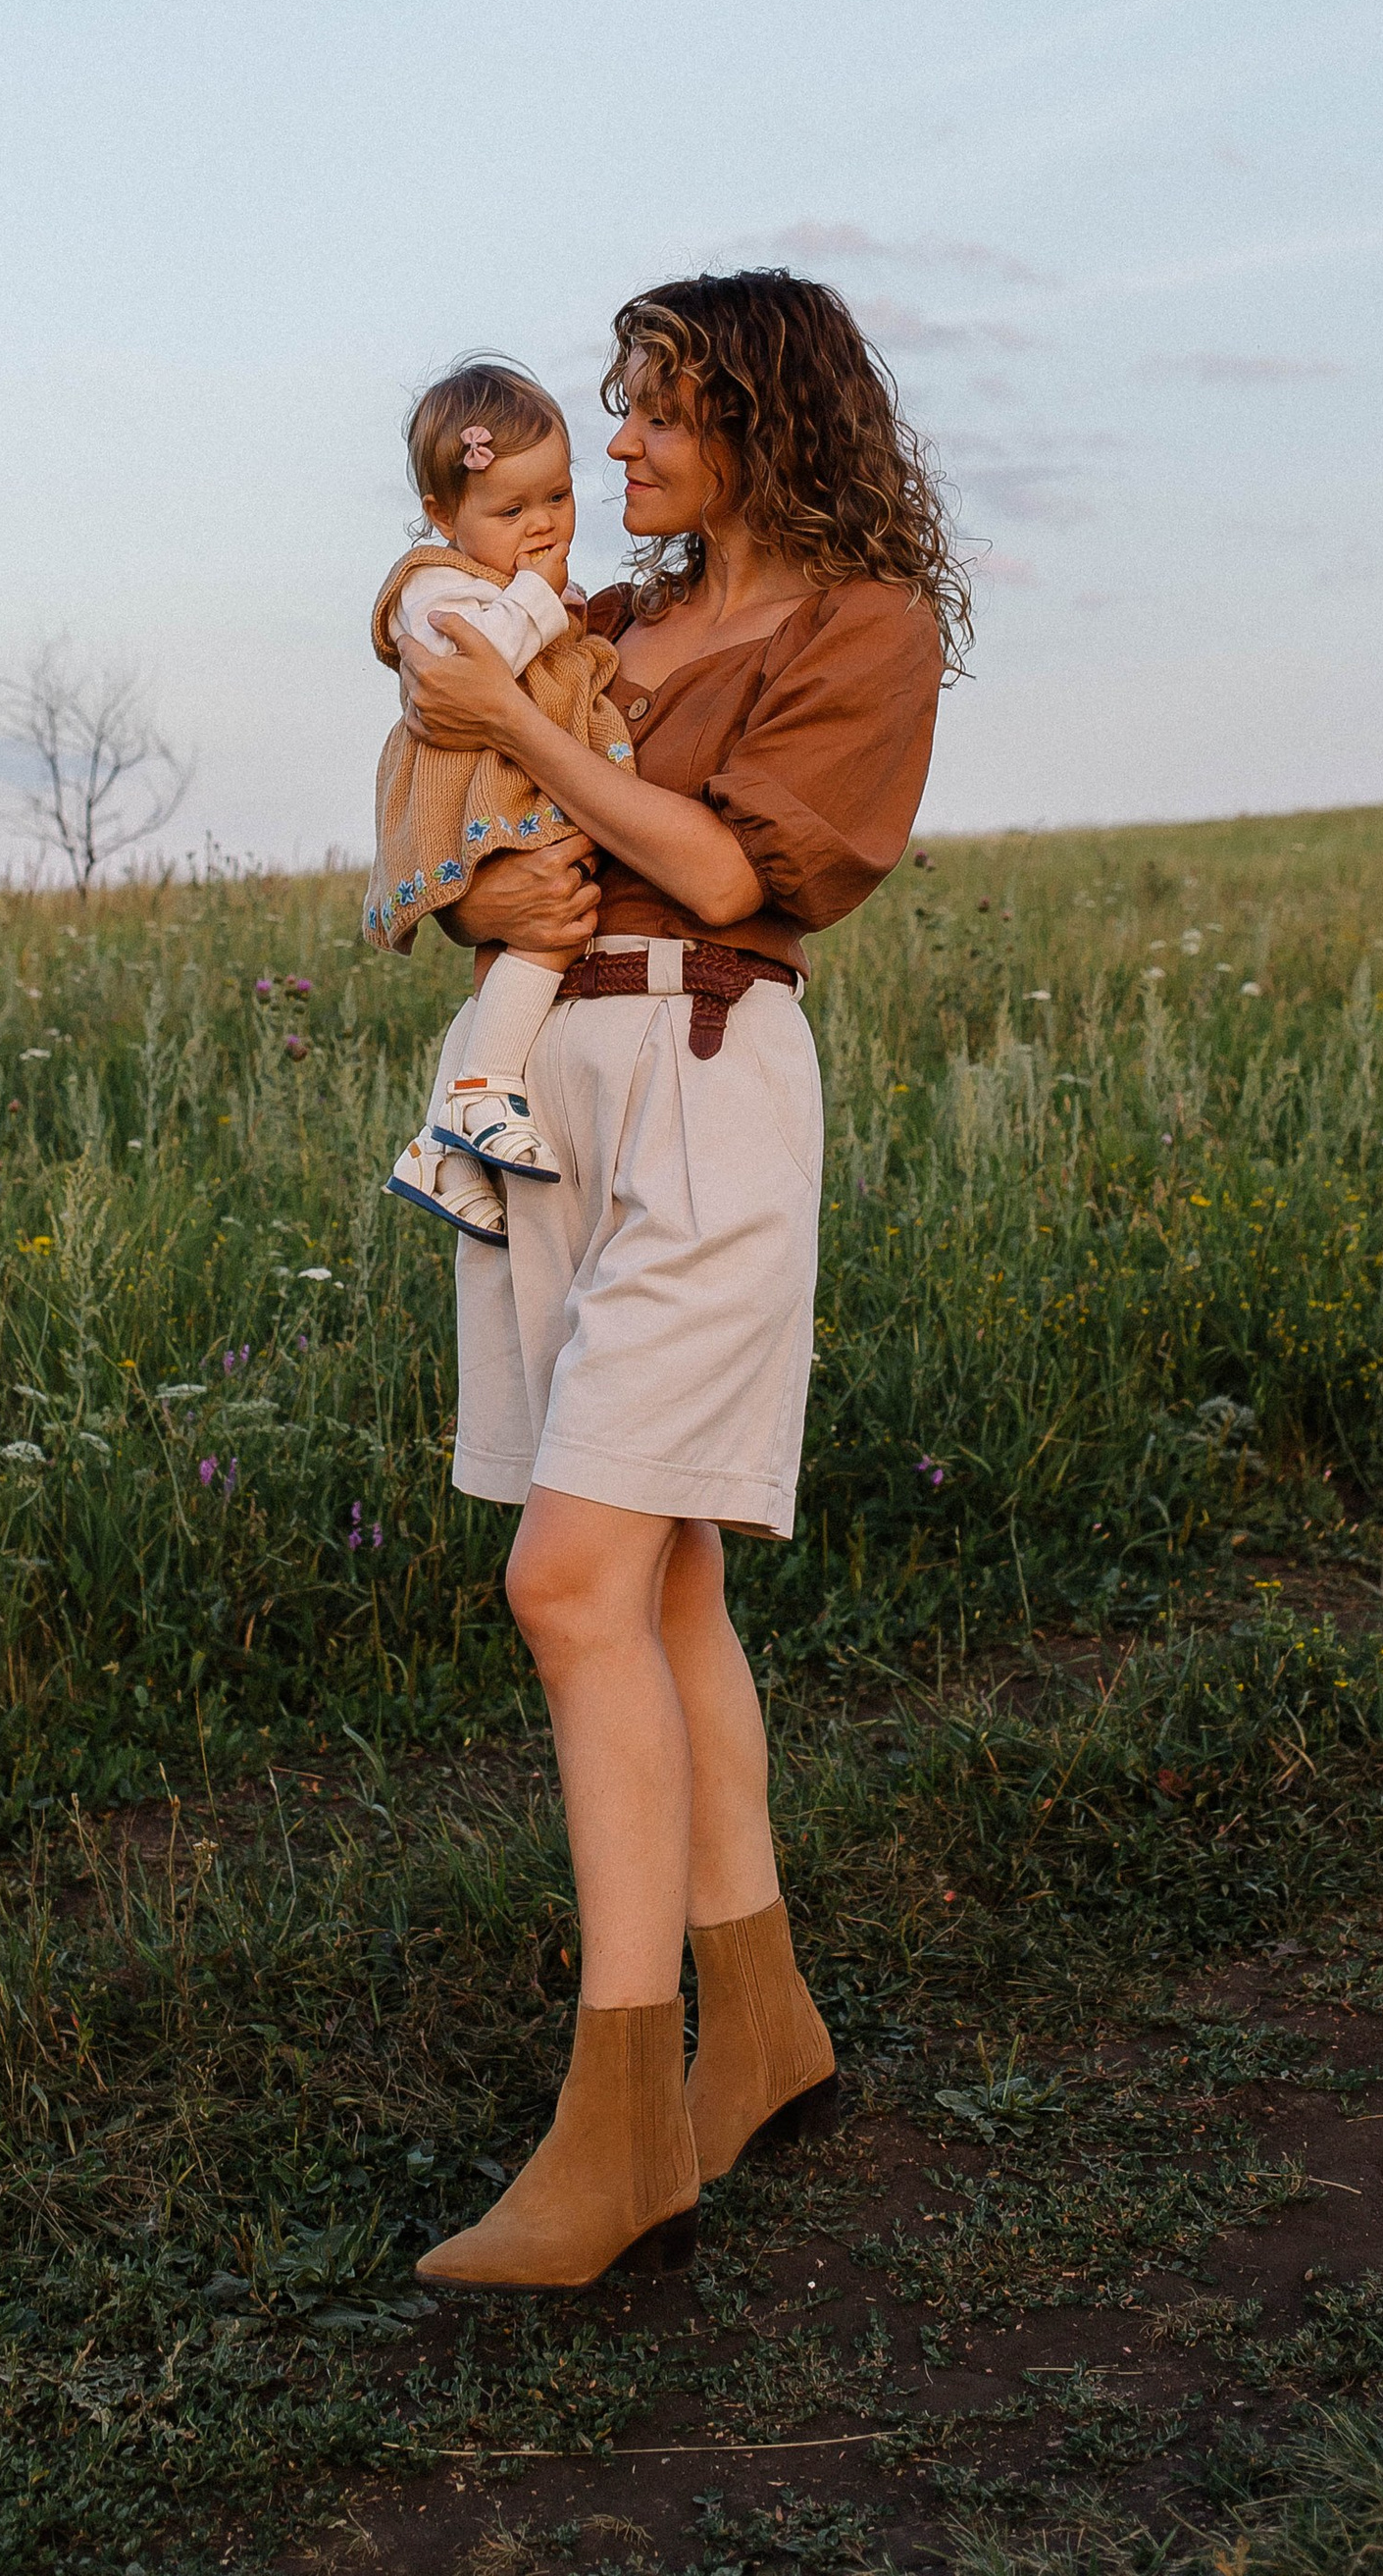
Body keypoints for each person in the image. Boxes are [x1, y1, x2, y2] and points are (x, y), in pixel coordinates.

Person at [391, 268, 966, 2293]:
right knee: (663, 1575)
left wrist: (508, 743)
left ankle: (622, 2119)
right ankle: (765, 2021)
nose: (610, 443)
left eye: (646, 409)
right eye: (615, 409)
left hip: (711, 1078)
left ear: (755, 420)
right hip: (550, 1074)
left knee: (565, 1581)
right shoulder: (609, 625)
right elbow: (448, 767)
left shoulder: (861, 632)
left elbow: (733, 875)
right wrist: (466, 861)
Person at [365, 359, 637, 1242]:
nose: (542, 526)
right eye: (510, 510)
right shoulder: (435, 584)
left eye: (556, 498)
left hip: (517, 778)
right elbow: (486, 656)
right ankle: (480, 1090)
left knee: (549, 922)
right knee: (548, 924)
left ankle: (441, 1145)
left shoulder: (518, 581)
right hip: (474, 787)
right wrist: (544, 600)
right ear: (444, 517)